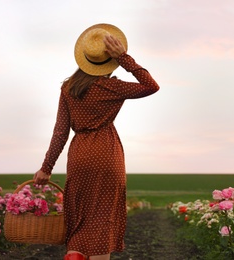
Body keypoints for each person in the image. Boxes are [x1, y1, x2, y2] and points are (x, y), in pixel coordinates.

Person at [33, 23, 159, 260]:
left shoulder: (68, 88)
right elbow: (151, 86)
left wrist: (46, 168)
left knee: (80, 220)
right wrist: (124, 58)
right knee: (102, 219)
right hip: (106, 154)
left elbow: (60, 132)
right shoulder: (112, 86)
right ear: (108, 59)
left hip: (79, 155)